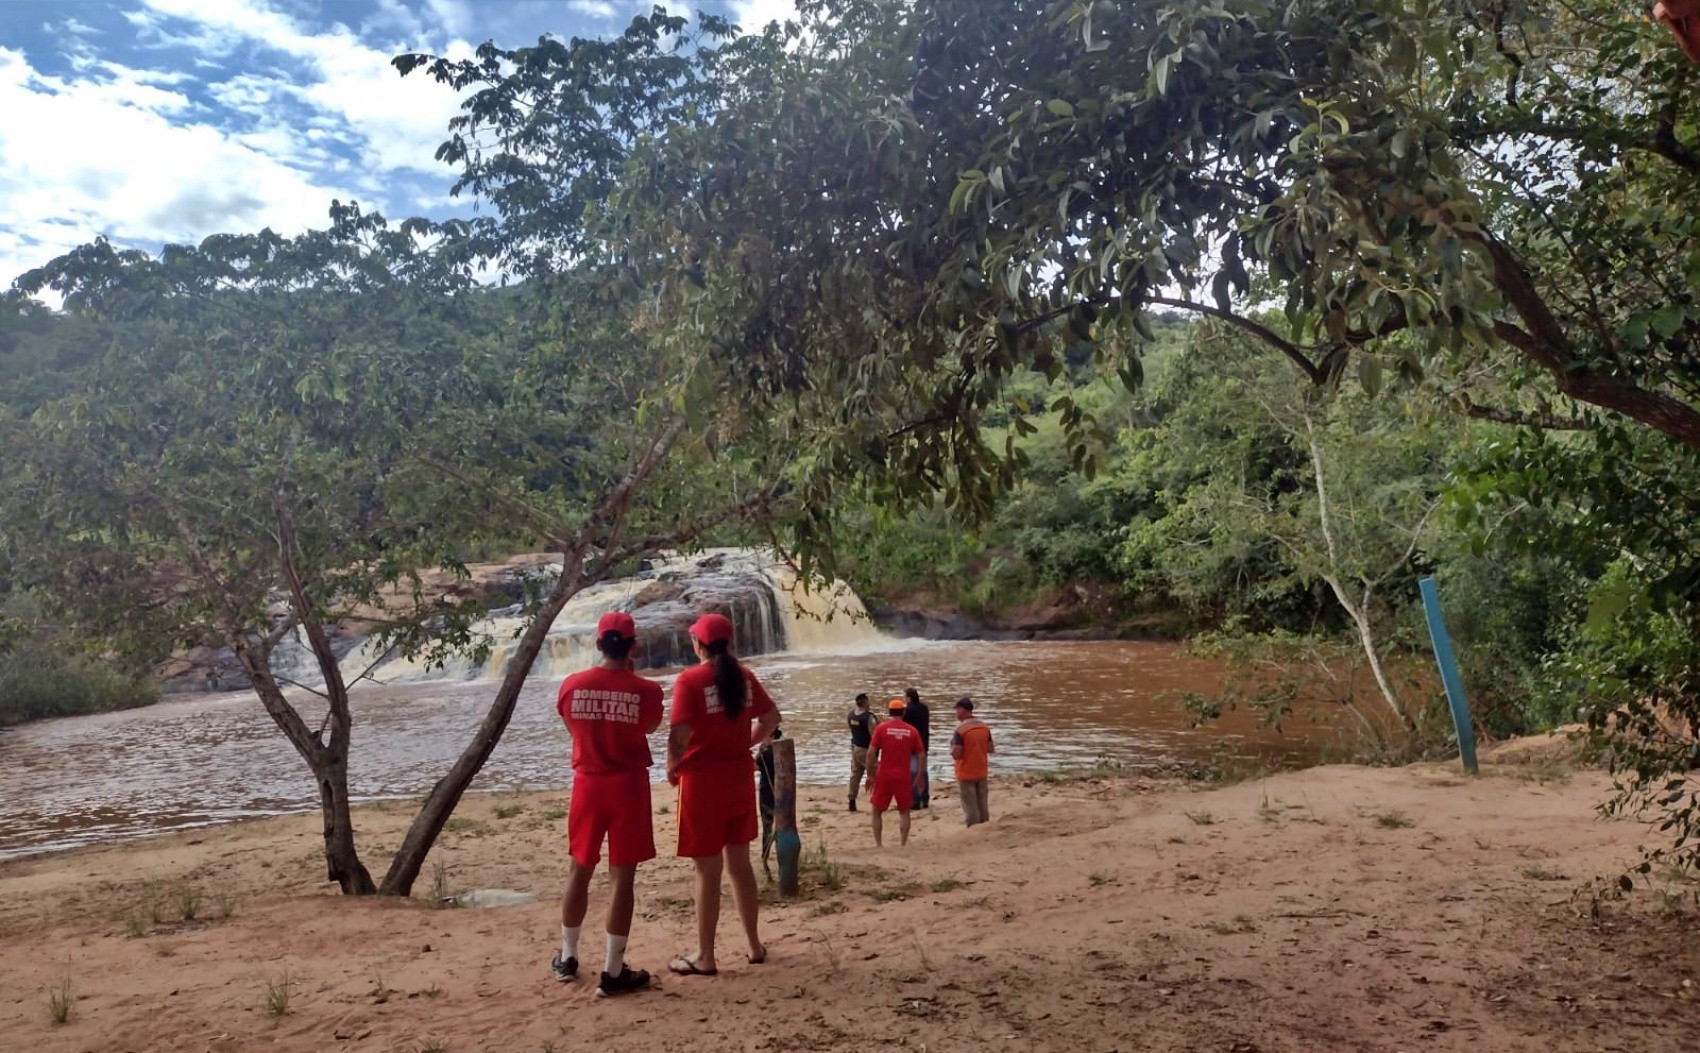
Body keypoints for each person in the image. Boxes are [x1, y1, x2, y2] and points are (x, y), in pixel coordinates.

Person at [553, 610, 665, 998]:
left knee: (579, 870)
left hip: (587, 783)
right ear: (631, 646)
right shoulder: (647, 691)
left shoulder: (571, 686)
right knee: (623, 877)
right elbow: (649, 726)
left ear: (598, 644)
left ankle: (567, 958)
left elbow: (572, 725)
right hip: (628, 786)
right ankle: (613, 970)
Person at [666, 612, 781, 977]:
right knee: (740, 865)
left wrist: (672, 765)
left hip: (702, 783)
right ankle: (753, 944)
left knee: (707, 869)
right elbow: (771, 718)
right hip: (739, 780)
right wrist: (744, 744)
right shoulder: (744, 677)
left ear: (699, 644)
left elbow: (679, 735)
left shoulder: (690, 680)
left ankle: (706, 955)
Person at [865, 697, 925, 847]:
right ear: (903, 713)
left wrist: (870, 774)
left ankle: (879, 844)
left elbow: (871, 753)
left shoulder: (881, 728)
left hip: (884, 774)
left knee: (877, 810)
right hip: (903, 776)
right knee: (904, 811)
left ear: (889, 712)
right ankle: (903, 844)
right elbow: (921, 754)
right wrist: (919, 775)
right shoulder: (911, 731)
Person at [949, 696, 995, 827]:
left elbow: (957, 754)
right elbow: (990, 748)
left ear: (963, 710)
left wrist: (951, 749)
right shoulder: (984, 727)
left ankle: (973, 830)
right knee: (982, 804)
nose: (956, 713)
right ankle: (985, 827)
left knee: (970, 806)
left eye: (957, 710)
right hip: (981, 770)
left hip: (966, 772)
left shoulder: (960, 730)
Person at [756, 725, 782, 876]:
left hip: (767, 793)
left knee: (767, 826)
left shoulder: (765, 754)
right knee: (781, 825)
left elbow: (753, 765)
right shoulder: (782, 750)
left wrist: (760, 750)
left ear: (771, 736)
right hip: (782, 793)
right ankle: (781, 854)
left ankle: (764, 853)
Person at [846, 692, 877, 812]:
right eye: (868, 701)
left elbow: (851, 728)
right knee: (875, 774)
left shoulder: (851, 715)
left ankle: (851, 800)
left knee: (855, 775)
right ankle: (876, 801)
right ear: (865, 703)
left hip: (855, 748)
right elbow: (875, 735)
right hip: (866, 750)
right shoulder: (868, 717)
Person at [902, 687, 932, 809]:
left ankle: (915, 800)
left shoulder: (907, 710)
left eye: (904, 697)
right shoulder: (924, 708)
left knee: (913, 772)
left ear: (909, 698)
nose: (903, 699)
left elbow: (904, 726)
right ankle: (925, 799)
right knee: (923, 771)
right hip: (924, 743)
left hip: (913, 746)